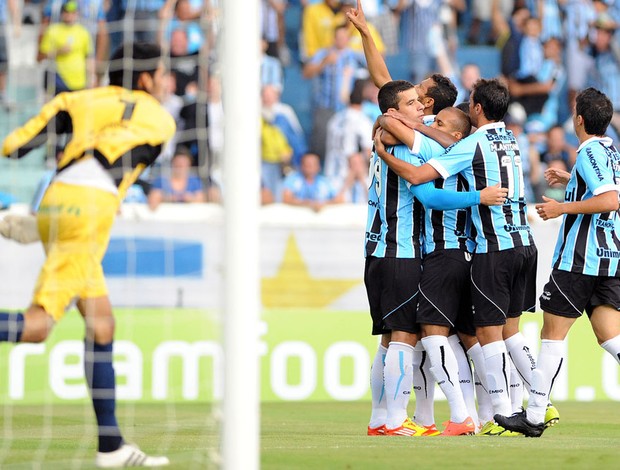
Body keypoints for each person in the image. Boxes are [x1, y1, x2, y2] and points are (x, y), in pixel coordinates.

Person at [0, 42, 175, 468]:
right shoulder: (159, 116)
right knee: (39, 326)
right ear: (145, 78)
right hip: (91, 209)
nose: (168, 83)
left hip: (55, 196)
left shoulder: (79, 98)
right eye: (163, 74)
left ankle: (111, 445)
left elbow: (16, 146)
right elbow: (134, 158)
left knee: (101, 323)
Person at [374, 78, 542, 435]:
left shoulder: (453, 153)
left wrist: (389, 150)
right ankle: (501, 409)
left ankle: (461, 414)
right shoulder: (501, 141)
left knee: (431, 334)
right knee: (469, 337)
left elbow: (426, 189)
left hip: (444, 251)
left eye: (438, 122)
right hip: (478, 250)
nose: (429, 121)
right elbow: (390, 113)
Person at [495, 87, 620, 437]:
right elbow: (613, 193)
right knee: (610, 336)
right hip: (608, 259)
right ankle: (535, 412)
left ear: (578, 119)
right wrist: (572, 181)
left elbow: (610, 200)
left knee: (552, 336)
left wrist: (561, 207)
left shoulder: (591, 151)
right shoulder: (610, 151)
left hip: (579, 260)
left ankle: (534, 416)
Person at [38, 0, 94, 95]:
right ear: (62, 13)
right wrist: (57, 51)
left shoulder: (83, 32)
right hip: (59, 80)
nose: (69, 15)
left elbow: (89, 57)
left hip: (79, 82)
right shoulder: (52, 30)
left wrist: (92, 78)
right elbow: (40, 57)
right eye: (66, 12)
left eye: (72, 12)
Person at [148, 146, 205, 210]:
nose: (180, 166)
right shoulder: (161, 180)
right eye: (178, 163)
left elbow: (202, 200)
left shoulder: (194, 181)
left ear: (189, 164)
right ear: (172, 163)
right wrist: (167, 198)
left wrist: (190, 198)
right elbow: (152, 199)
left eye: (183, 163)